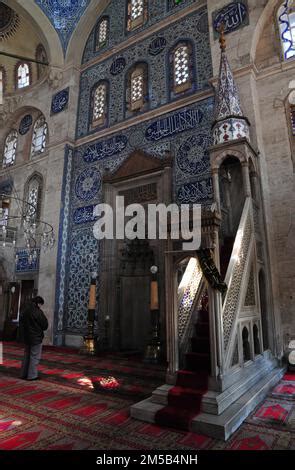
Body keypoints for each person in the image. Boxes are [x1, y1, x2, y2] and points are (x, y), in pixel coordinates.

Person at [18, 296, 48, 380]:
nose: (41, 306)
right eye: (41, 304)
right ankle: (32, 376)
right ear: (38, 304)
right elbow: (45, 325)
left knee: (26, 356)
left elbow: (21, 324)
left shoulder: (25, 310)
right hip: (36, 338)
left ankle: (23, 374)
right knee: (34, 356)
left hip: (26, 337)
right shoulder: (38, 312)